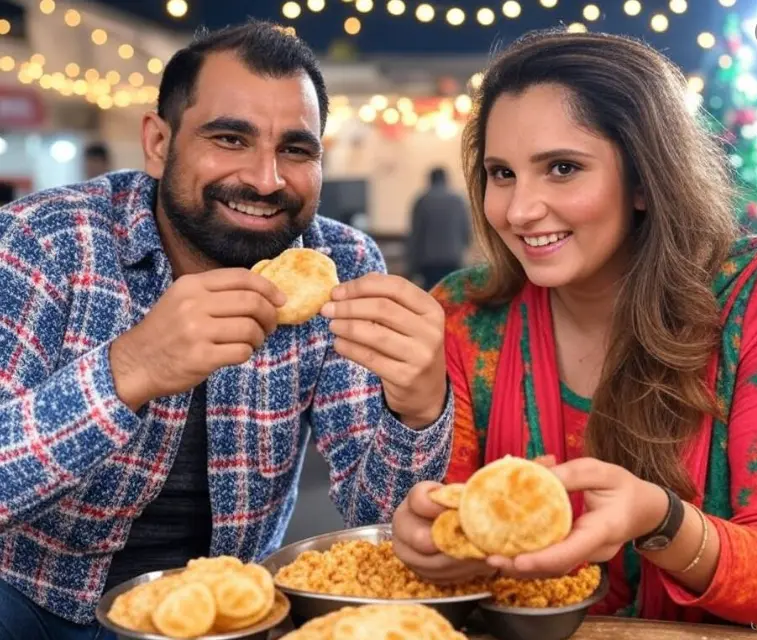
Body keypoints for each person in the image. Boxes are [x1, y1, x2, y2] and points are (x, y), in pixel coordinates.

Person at [0, 20, 452, 639]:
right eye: (230, 138)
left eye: (296, 149)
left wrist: (419, 410)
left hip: (230, 610)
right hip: (30, 601)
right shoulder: (43, 243)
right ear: (159, 144)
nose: (266, 180)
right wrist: (127, 369)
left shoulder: (342, 266)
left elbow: (379, 518)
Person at [392, 29, 757, 625]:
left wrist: (661, 521)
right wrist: (427, 540)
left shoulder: (746, 302)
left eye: (562, 168)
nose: (518, 210)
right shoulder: (462, 317)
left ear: (645, 179)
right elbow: (448, 530)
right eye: (501, 173)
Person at [407, 167, 471, 290]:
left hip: (429, 260)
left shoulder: (422, 201)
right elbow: (466, 231)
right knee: (452, 295)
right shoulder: (457, 200)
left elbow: (415, 235)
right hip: (453, 257)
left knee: (431, 296)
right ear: (446, 179)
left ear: (430, 180)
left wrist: (412, 267)